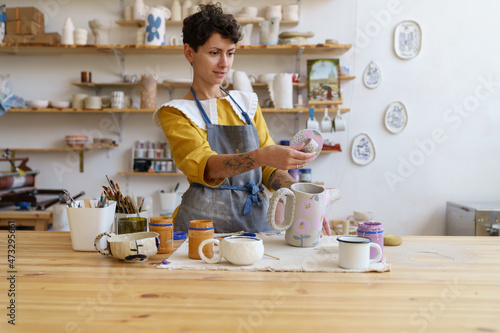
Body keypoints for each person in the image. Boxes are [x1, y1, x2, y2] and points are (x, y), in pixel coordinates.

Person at [153, 3, 331, 235]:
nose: (224, 63)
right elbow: (207, 167)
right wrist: (262, 155)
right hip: (201, 229)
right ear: (189, 52)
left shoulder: (246, 104)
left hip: (255, 225)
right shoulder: (176, 112)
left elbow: (267, 169)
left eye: (230, 53)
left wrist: (301, 197)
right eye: (214, 53)